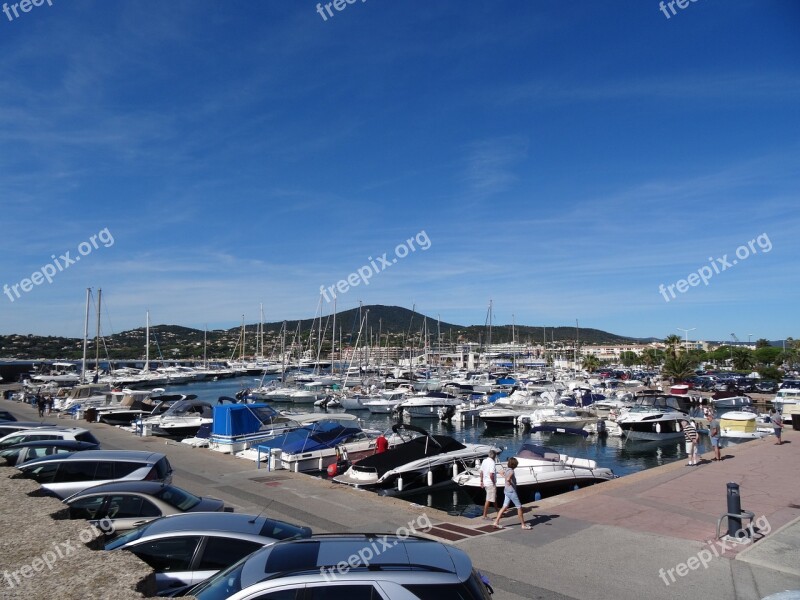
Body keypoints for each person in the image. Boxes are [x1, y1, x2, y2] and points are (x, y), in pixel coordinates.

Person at [493, 457, 531, 530]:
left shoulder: (507, 469)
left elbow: (501, 472)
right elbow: (508, 479)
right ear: (514, 465)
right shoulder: (512, 471)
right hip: (511, 491)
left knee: (504, 506)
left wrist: (505, 477)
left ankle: (496, 522)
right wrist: (509, 481)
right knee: (519, 507)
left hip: (506, 491)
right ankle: (523, 525)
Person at [480, 449, 498, 519]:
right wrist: (493, 482)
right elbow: (491, 474)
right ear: (494, 456)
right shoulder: (492, 462)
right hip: (490, 483)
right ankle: (484, 515)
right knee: (488, 499)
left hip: (485, 482)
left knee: (494, 498)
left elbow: (481, 472)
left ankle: (498, 511)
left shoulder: (484, 461)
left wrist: (481, 481)